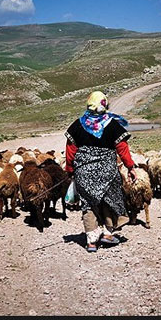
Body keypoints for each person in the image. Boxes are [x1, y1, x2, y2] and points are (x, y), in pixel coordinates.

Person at [65, 91, 137, 252]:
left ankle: (91, 241)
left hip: (84, 172)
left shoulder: (78, 125)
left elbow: (70, 150)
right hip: (107, 172)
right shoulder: (112, 125)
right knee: (108, 200)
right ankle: (108, 233)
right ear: (104, 104)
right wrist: (131, 167)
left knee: (88, 203)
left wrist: (70, 169)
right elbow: (122, 149)